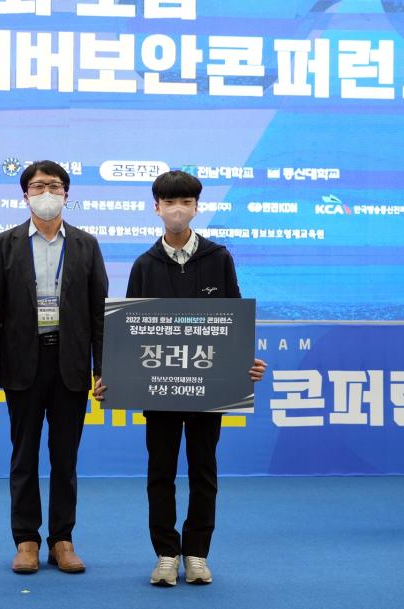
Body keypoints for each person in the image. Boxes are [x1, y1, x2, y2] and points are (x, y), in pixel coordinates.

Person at [124, 170, 267, 587]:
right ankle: (166, 554)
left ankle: (198, 553)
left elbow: (234, 322)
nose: (178, 210)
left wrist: (246, 364)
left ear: (197, 207)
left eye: (185, 202)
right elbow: (129, 332)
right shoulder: (144, 265)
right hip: (160, 389)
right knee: (160, 473)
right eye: (169, 202)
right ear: (156, 208)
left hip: (209, 388)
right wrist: (115, 374)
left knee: (204, 471)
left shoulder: (218, 258)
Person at [0, 161, 108, 575]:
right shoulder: (5, 244)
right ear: (25, 195)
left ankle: (62, 540)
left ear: (67, 194)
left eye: (54, 186)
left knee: (65, 458)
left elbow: (99, 313)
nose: (46, 193)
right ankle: (26, 540)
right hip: (22, 363)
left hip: (70, 363)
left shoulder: (86, 244)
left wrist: (103, 367)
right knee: (24, 456)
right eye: (38, 186)